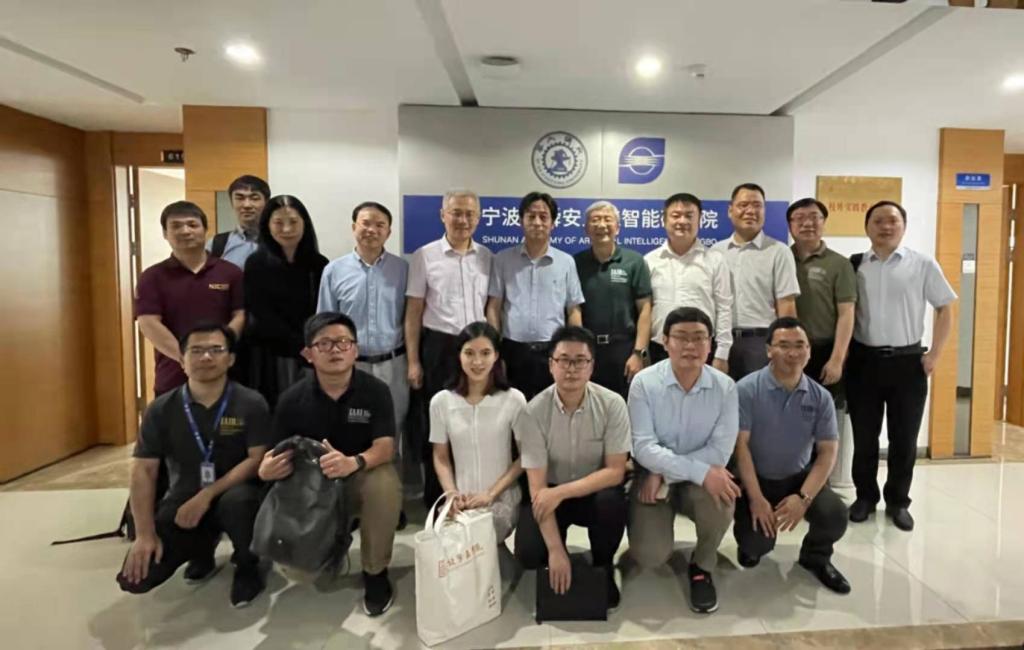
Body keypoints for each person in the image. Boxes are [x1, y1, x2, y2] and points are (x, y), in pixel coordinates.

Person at [116, 323, 270, 607]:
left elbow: (256, 459)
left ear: (231, 359)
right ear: (182, 360)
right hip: (184, 498)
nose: (206, 357)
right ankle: (201, 550)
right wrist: (145, 535)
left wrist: (208, 494)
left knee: (239, 504)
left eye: (216, 350)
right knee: (137, 579)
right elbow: (144, 471)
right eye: (196, 351)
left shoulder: (251, 402)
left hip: (236, 494)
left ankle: (248, 564)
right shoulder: (161, 409)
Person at [260, 312, 402, 616]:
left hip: (358, 476)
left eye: (343, 342)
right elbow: (273, 454)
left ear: (355, 349)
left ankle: (375, 572)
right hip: (312, 487)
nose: (335, 350)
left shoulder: (376, 391)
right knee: (301, 574)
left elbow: (386, 447)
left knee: (384, 482)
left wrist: (354, 462)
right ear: (308, 354)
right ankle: (331, 542)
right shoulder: (291, 399)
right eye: (324, 344)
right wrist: (267, 469)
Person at [846, 201, 956, 532]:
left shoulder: (921, 264)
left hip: (908, 364)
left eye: (893, 221)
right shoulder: (854, 265)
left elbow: (945, 308)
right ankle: (865, 497)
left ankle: (898, 502)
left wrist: (934, 355)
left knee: (904, 440)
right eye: (878, 220)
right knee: (864, 438)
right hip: (864, 362)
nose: (886, 226)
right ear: (867, 227)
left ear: (903, 226)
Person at [628, 307, 739, 614]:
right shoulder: (644, 383)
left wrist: (664, 474)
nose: (690, 346)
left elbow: (720, 452)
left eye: (699, 337)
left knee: (722, 499)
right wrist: (664, 470)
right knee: (650, 555)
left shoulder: (725, 387)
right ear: (665, 341)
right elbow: (643, 448)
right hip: (654, 475)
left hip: (682, 477)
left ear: (710, 343)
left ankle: (702, 565)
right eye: (681, 337)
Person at [512, 326, 630, 609]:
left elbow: (616, 471)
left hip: (594, 490)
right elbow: (538, 489)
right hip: (550, 493)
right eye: (564, 360)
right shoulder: (532, 412)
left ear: (592, 366)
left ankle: (603, 564)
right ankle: (557, 551)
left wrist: (561, 492)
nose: (572, 369)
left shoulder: (612, 404)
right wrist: (555, 551)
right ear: (551, 364)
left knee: (611, 503)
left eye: (580, 361)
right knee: (529, 552)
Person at [733, 317, 851, 594]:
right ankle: (751, 545)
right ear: (768, 350)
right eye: (783, 345)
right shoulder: (746, 390)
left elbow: (827, 452)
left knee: (835, 514)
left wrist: (804, 497)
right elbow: (740, 448)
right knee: (756, 543)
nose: (793, 352)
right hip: (756, 480)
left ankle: (816, 558)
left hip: (798, 478)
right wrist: (756, 498)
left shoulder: (820, 397)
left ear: (809, 351)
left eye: (800, 345)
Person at [318, 202, 410, 506]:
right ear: (354, 226)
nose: (372, 230)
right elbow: (325, 322)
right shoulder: (334, 271)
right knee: (347, 430)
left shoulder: (402, 270)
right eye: (366, 223)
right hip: (350, 368)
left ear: (389, 232)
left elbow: (411, 318)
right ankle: (347, 503)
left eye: (380, 225)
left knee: (392, 433)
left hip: (393, 363)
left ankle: (390, 503)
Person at [406, 189, 492, 507]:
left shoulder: (487, 257)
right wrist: (413, 361)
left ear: (478, 218)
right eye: (456, 212)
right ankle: (438, 500)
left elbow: (492, 307)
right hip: (438, 348)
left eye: (469, 214)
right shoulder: (425, 256)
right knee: (438, 426)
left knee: (474, 424)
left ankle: (472, 497)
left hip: (477, 349)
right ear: (443, 215)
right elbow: (413, 312)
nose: (463, 220)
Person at [430, 322, 526, 544]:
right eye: (469, 353)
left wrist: (490, 494)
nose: (477, 362)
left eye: (485, 353)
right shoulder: (441, 402)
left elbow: (526, 455)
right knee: (451, 546)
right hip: (461, 499)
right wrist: (451, 494)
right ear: (459, 355)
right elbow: (440, 456)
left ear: (496, 356)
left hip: (501, 497)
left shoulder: (513, 399)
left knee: (478, 538)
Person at [136, 201, 244, 396]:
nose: (185, 231)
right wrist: (186, 357)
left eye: (192, 225)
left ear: (205, 230)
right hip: (173, 377)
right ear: (165, 233)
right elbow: (148, 322)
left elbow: (240, 315)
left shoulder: (231, 273)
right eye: (176, 226)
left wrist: (220, 351)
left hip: (226, 375)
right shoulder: (152, 277)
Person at [486, 191, 585, 400]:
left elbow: (573, 310)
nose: (537, 222)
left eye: (543, 217)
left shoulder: (566, 262)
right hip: (512, 350)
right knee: (512, 408)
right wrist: (495, 349)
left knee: (551, 408)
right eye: (531, 216)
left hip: (553, 351)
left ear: (553, 223)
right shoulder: (503, 259)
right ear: (520, 221)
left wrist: (573, 350)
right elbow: (494, 307)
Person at [243, 195, 328, 408]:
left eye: (293, 222)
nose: (287, 229)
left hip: (311, 353)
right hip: (270, 355)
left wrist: (312, 347)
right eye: (278, 223)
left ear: (305, 224)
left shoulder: (319, 264)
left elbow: (323, 310)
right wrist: (300, 346)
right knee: (277, 411)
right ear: (267, 226)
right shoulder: (256, 264)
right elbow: (261, 312)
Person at [712, 183, 800, 380]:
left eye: (757, 205)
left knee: (760, 398)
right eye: (743, 205)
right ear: (730, 210)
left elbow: (786, 305)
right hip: (720, 342)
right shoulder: (716, 252)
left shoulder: (779, 251)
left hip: (761, 343)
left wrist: (786, 347)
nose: (750, 211)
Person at [574, 200, 653, 399]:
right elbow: (573, 309)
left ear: (617, 227)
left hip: (624, 350)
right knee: (588, 404)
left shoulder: (634, 261)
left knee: (625, 407)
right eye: (595, 220)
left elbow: (645, 309)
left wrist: (639, 353)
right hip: (589, 350)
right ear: (586, 229)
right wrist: (578, 351)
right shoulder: (575, 263)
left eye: (607, 219)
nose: (601, 225)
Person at [645, 193, 732, 370]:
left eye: (689, 216)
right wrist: (642, 352)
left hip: (702, 350)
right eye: (676, 215)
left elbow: (724, 308)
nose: (682, 221)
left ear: (699, 220)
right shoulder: (649, 261)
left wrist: (722, 354)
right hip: (659, 350)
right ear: (664, 220)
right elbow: (644, 311)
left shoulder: (715, 260)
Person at [787, 198, 856, 405]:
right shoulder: (781, 258)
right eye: (799, 218)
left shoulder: (840, 264)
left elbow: (847, 313)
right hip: (788, 350)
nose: (807, 223)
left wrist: (837, 359)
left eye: (814, 217)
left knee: (824, 415)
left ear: (824, 222)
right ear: (790, 226)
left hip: (824, 351)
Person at [207, 175, 270, 269]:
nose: (247, 205)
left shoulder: (282, 242)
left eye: (254, 198)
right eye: (240, 198)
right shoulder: (217, 244)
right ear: (231, 202)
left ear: (267, 202)